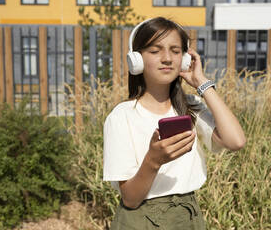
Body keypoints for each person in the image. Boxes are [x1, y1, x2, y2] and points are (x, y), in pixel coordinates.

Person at [103, 17, 246, 229]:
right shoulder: (121, 117)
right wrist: (153, 160)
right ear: (136, 59)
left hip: (187, 217)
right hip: (140, 221)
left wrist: (202, 84)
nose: (167, 58)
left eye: (176, 51)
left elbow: (236, 141)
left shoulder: (191, 107)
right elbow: (131, 199)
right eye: (155, 51)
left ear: (186, 59)